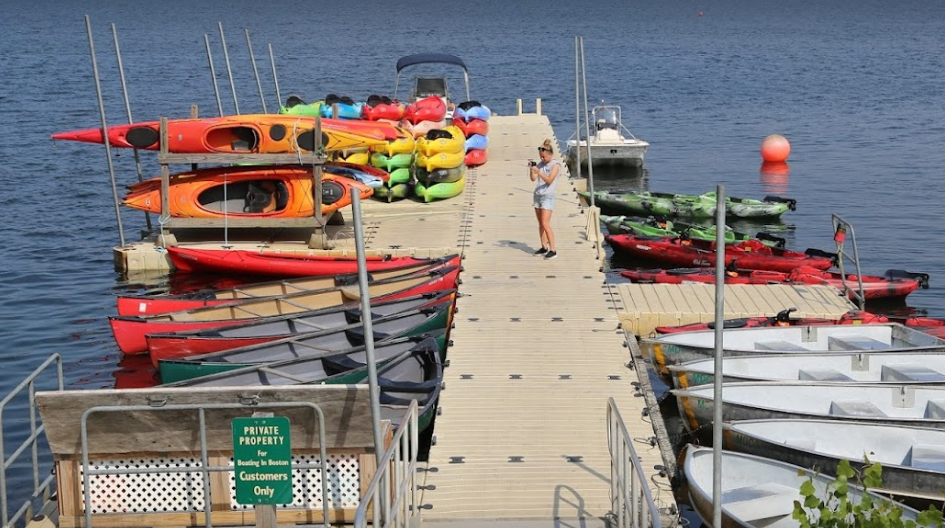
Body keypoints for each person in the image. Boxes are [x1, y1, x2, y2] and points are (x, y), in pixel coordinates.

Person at [529, 139, 560, 259]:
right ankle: (544, 246)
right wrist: (532, 170)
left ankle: (553, 249)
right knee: (541, 223)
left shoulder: (555, 165)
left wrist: (539, 172)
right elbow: (533, 179)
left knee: (546, 223)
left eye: (544, 157)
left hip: (548, 196)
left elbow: (549, 180)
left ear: (550, 154)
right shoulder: (540, 164)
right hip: (538, 195)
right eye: (541, 157)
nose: (542, 159)